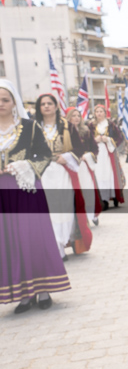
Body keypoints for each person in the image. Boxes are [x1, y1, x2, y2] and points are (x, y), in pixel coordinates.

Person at [0, 80, 71, 313]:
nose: (1, 104)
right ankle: (23, 294)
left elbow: (44, 154)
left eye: (5, 100)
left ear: (14, 103)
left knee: (33, 237)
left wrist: (24, 166)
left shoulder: (29, 127)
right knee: (9, 240)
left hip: (26, 188)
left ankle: (43, 290)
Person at [35, 96, 93, 259]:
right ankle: (56, 248)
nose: (46, 106)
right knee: (49, 210)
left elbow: (79, 148)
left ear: (56, 106)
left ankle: (65, 241)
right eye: (43, 104)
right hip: (42, 173)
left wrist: (66, 157)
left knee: (65, 208)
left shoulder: (67, 126)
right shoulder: (34, 127)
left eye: (49, 103)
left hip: (63, 172)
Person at [66, 108, 102, 227]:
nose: (76, 118)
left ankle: (91, 214)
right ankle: (79, 219)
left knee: (87, 190)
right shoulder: (64, 132)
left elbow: (95, 149)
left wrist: (87, 156)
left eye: (78, 115)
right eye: (73, 115)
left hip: (84, 166)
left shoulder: (86, 131)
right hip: (71, 165)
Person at [88, 104, 125, 210]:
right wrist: (95, 140)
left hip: (109, 153)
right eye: (97, 112)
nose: (99, 114)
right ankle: (103, 199)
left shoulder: (110, 124)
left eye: (101, 111)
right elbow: (87, 138)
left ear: (105, 113)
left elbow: (119, 137)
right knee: (99, 174)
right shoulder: (91, 125)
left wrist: (108, 139)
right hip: (97, 153)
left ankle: (114, 195)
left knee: (110, 173)